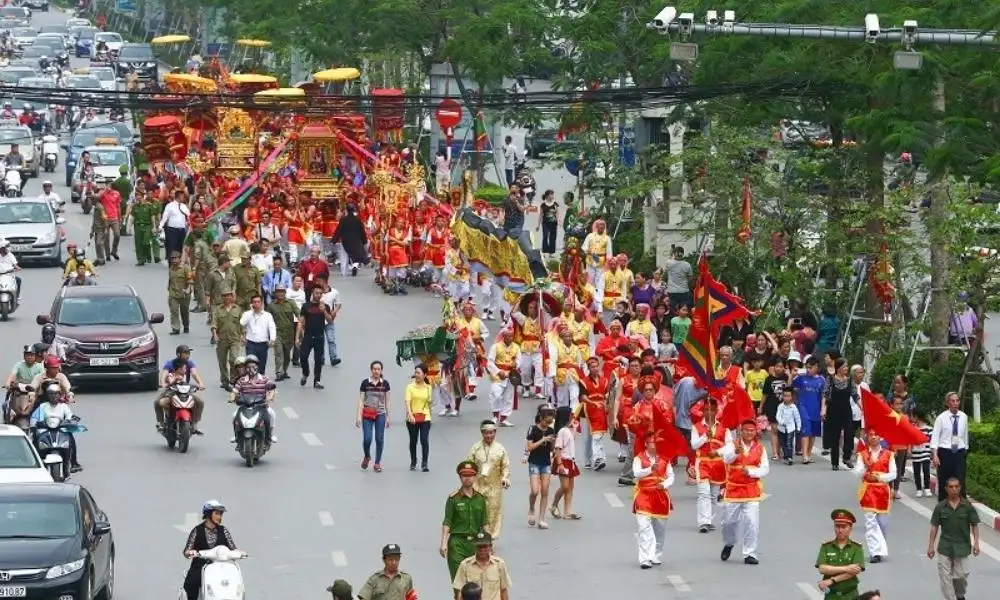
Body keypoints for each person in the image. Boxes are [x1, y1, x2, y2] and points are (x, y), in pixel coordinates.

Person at [720, 418, 770, 565]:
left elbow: (765, 468)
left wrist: (750, 472)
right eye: (746, 430)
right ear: (741, 431)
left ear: (755, 432)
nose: (749, 433)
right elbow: (727, 460)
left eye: (752, 431)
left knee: (752, 522)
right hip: (733, 489)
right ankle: (729, 543)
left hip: (751, 489)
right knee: (729, 522)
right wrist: (736, 453)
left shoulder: (760, 448)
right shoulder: (733, 445)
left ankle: (750, 553)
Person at [928, 477, 981, 600]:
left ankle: (960, 595)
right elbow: (934, 527)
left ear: (960, 488)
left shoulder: (967, 507)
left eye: (956, 486)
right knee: (945, 577)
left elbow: (974, 525)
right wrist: (931, 545)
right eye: (951, 487)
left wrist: (976, 543)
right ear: (946, 489)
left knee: (961, 576)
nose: (954, 489)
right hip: (945, 547)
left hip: (962, 547)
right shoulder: (940, 507)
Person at [182, 500, 242, 600]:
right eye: (217, 513)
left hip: (220, 567)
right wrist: (189, 552)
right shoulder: (197, 530)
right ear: (208, 514)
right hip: (200, 567)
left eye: (221, 514)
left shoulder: (223, 530)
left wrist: (239, 552)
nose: (220, 517)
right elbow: (187, 550)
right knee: (191, 584)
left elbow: (233, 547)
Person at [852, 428, 896, 563]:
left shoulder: (889, 454)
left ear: (881, 437)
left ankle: (880, 547)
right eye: (871, 435)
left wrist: (879, 477)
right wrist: (865, 467)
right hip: (868, 491)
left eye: (876, 434)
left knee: (882, 523)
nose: (873, 437)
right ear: (867, 437)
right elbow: (857, 473)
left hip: (883, 492)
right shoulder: (863, 454)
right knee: (870, 523)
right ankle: (875, 552)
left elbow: (893, 474)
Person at [631, 433, 674, 569]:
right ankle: (644, 558)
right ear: (646, 444)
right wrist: (650, 469)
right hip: (643, 496)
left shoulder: (665, 460)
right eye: (652, 443)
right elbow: (636, 473)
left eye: (657, 443)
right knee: (644, 528)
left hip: (660, 498)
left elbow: (671, 477)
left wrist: (665, 484)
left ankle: (656, 554)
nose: (655, 446)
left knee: (659, 530)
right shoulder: (638, 459)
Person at [441, 461, 488, 581]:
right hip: (457, 545)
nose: (467, 478)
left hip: (475, 545)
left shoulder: (480, 499)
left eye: (470, 475)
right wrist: (443, 542)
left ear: (475, 477)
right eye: (464, 476)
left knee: (476, 583)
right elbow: (447, 521)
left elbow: (485, 522)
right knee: (458, 582)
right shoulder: (453, 499)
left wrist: (489, 543)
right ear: (460, 477)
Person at [467, 420, 511, 541]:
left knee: (493, 513)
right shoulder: (475, 448)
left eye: (491, 433)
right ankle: (477, 536)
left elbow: (505, 466)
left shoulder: (500, 449)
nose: (489, 436)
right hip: (477, 485)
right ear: (482, 433)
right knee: (476, 512)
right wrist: (468, 483)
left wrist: (505, 478)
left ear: (495, 433)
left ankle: (490, 539)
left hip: (494, 487)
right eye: (486, 433)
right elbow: (469, 466)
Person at [691, 399, 731, 533]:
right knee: (703, 493)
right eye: (706, 410)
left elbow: (730, 446)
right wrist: (704, 437)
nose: (709, 412)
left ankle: (709, 519)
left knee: (713, 495)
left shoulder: (724, 429)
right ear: (703, 411)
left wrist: (718, 452)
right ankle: (703, 522)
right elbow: (694, 445)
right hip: (702, 463)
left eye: (711, 410)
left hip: (718, 465)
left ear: (716, 411)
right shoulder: (696, 427)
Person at [815, 509, 865, 600]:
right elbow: (822, 569)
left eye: (844, 527)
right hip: (831, 596)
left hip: (851, 595)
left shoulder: (856, 548)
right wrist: (846, 568)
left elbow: (854, 571)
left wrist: (832, 580)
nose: (840, 530)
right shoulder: (826, 547)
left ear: (850, 528)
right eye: (837, 527)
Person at [228, 354, 277, 443]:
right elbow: (235, 391)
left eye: (253, 366)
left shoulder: (264, 378)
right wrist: (232, 397)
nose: (251, 369)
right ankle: (236, 436)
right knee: (234, 416)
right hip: (245, 406)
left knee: (271, 414)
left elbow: (272, 389)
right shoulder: (242, 380)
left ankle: (270, 435)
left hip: (261, 406)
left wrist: (270, 397)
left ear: (257, 367)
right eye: (248, 367)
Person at [931, 391, 969, 502]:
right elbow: (935, 438)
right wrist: (935, 455)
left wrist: (965, 450)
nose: (955, 403)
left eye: (957, 400)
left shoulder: (963, 417)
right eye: (953, 401)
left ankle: (962, 507)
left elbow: (965, 435)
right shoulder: (941, 418)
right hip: (945, 453)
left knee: (960, 481)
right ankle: (943, 507)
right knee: (944, 481)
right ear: (947, 403)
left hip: (959, 452)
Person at [452, 532, 511, 600]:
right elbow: (460, 591)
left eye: (485, 546)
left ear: (490, 546)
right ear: (475, 547)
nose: (482, 550)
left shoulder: (499, 564)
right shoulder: (465, 565)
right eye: (479, 546)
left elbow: (504, 590)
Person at [524, 404, 556, 529]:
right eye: (546, 421)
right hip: (534, 462)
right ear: (541, 418)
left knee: (545, 491)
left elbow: (552, 449)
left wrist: (553, 442)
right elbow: (529, 447)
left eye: (550, 422)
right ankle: (532, 508)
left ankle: (541, 518)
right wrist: (543, 440)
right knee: (535, 491)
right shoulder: (533, 429)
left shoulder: (550, 431)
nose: (547, 425)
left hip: (546, 463)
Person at [357, 360, 391, 471]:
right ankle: (367, 455)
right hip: (367, 413)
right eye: (374, 369)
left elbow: (388, 401)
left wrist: (388, 417)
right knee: (367, 439)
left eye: (378, 369)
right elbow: (361, 400)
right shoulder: (365, 383)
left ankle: (377, 463)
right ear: (371, 370)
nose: (376, 371)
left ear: (381, 370)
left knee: (379, 439)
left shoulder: (385, 384)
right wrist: (358, 416)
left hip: (380, 414)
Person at [297, 285, 330, 389]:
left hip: (319, 336)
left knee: (318, 360)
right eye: (317, 293)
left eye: (320, 293)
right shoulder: (306, 306)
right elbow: (301, 321)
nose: (319, 295)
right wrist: (297, 337)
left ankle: (317, 381)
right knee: (303, 357)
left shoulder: (326, 306)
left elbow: (330, 321)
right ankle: (305, 373)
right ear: (312, 293)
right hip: (308, 336)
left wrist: (324, 311)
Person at [210, 288, 243, 390]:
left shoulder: (237, 309)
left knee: (234, 359)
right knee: (222, 361)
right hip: (222, 339)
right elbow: (214, 323)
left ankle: (233, 379)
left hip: (235, 338)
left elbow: (242, 324)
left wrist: (243, 336)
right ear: (222, 297)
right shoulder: (218, 310)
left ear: (232, 297)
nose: (227, 297)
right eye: (224, 296)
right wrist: (215, 334)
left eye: (229, 295)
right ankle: (224, 380)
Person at [266, 285, 297, 380]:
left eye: (282, 291)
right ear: (275, 293)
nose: (280, 293)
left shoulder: (291, 303)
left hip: (289, 332)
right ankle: (278, 372)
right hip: (277, 332)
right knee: (279, 353)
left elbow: (299, 313)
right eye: (278, 291)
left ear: (285, 292)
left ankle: (284, 371)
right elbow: (267, 318)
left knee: (287, 355)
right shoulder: (271, 305)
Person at [241, 294, 276, 368]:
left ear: (262, 303)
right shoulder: (247, 314)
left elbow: (272, 327)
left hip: (263, 344)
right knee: (251, 366)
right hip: (251, 344)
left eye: (258, 302)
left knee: (261, 367)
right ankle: (251, 379)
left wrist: (272, 339)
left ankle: (260, 379)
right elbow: (242, 323)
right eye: (254, 302)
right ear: (252, 303)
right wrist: (251, 311)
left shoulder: (267, 315)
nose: (256, 304)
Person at [128, 189, 161, 265]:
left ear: (142, 196)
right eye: (136, 195)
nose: (137, 197)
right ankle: (140, 259)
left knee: (146, 242)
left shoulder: (149, 205)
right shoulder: (135, 206)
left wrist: (154, 226)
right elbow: (132, 217)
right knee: (138, 243)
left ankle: (148, 255)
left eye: (138, 195)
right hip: (138, 226)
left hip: (147, 226)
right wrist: (129, 227)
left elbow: (152, 216)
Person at [167, 251, 194, 335]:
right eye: (172, 259)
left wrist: (188, 289)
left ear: (179, 259)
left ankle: (186, 325)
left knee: (184, 312)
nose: (174, 260)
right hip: (173, 294)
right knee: (174, 311)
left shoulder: (186, 268)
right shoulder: (171, 268)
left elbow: (190, 280)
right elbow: (171, 280)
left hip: (184, 294)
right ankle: (176, 328)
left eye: (176, 258)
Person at [159, 189, 191, 258]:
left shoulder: (184, 206)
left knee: (180, 247)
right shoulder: (170, 206)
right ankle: (171, 262)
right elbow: (165, 217)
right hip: (172, 230)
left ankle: (178, 263)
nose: (184, 198)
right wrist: (160, 226)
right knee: (172, 247)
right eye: (183, 196)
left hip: (182, 230)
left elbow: (189, 216)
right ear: (178, 196)